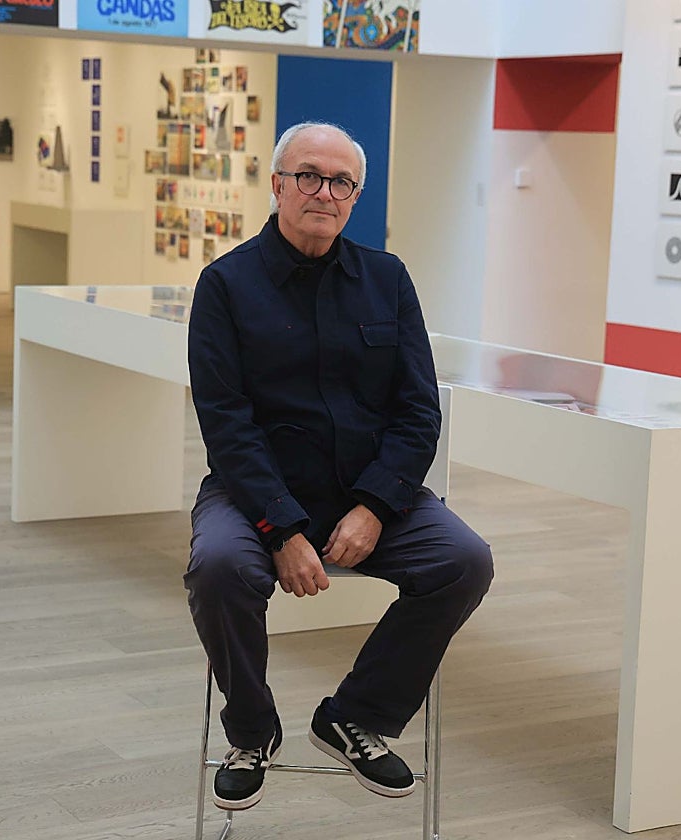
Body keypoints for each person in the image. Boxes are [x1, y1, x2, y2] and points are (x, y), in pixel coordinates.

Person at [185, 122, 494, 812]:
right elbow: (226, 426)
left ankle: (356, 717)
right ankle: (253, 731)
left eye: (341, 182)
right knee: (220, 568)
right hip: (255, 490)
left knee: (464, 560)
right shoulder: (225, 285)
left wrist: (377, 506)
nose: (324, 192)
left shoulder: (386, 279)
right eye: (308, 176)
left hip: (366, 492)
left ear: (355, 196)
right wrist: (281, 529)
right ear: (276, 184)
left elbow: (419, 413)